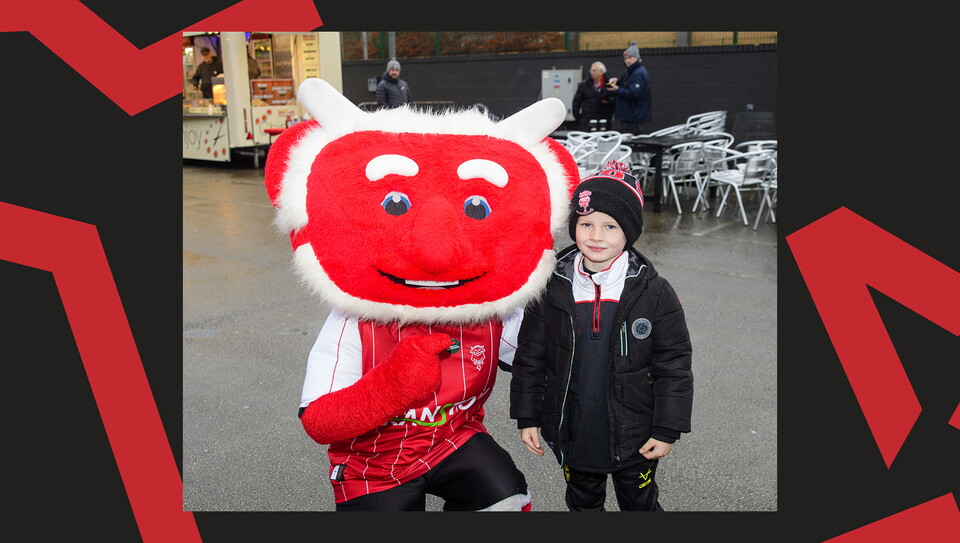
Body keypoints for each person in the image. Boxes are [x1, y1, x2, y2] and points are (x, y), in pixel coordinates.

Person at [510, 161, 693, 511]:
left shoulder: (654, 292)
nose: (596, 236)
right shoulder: (551, 287)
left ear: (629, 231)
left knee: (640, 504)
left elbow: (674, 365)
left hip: (636, 434)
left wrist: (668, 427)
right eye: (586, 224)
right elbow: (530, 356)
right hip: (573, 430)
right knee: (582, 504)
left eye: (610, 226)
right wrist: (528, 415)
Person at [607, 42, 652, 133]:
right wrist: (617, 82)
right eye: (626, 58)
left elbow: (634, 93)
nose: (627, 60)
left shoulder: (639, 73)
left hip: (633, 116)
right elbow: (625, 85)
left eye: (630, 58)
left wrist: (618, 89)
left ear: (637, 58)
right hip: (628, 115)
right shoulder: (629, 72)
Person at [571, 61, 616, 131]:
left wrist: (609, 101)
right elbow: (576, 102)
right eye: (591, 70)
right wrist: (579, 118)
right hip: (587, 121)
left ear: (601, 72)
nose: (591, 72)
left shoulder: (609, 83)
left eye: (594, 70)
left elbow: (614, 97)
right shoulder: (585, 85)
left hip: (604, 120)